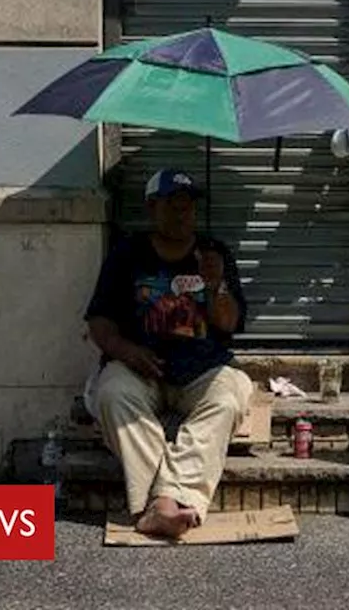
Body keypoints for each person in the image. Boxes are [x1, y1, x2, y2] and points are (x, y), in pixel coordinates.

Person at [82, 168, 252, 537]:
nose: (181, 214)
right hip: (140, 368)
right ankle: (164, 504)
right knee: (111, 394)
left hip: (201, 369)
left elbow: (228, 324)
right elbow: (99, 322)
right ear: (151, 207)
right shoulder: (126, 255)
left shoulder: (214, 254)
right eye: (173, 205)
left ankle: (159, 503)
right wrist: (126, 351)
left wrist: (217, 284)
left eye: (188, 207)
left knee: (231, 395)